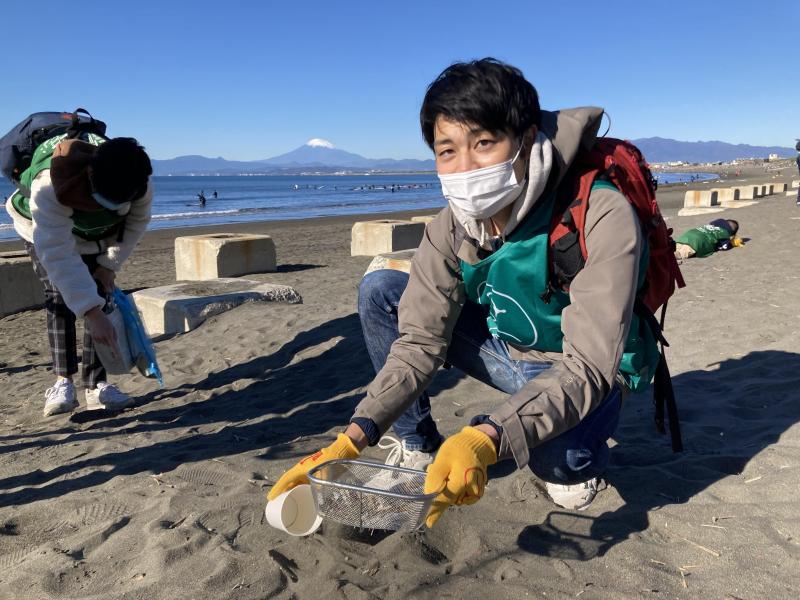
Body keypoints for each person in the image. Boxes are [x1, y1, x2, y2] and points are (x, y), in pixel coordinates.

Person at [268, 58, 653, 525]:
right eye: (447, 150)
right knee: (382, 290)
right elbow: (419, 342)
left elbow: (588, 366)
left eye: (484, 143)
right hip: (510, 349)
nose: (464, 167)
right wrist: (353, 436)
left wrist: (485, 437)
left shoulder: (599, 212)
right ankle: (418, 445)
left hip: (587, 368)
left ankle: (579, 454)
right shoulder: (452, 227)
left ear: (527, 139)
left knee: (560, 460)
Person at [5, 135, 153, 417]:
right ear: (90, 173)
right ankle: (63, 382)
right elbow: (57, 253)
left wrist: (109, 265)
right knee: (59, 295)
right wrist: (92, 313)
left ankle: (96, 386)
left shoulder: (138, 180)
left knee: (100, 293)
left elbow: (137, 222)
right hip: (39, 227)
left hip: (96, 236)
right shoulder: (49, 184)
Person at [674, 219, 742, 260]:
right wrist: (731, 244)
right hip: (698, 240)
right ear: (732, 233)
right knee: (683, 253)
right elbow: (724, 247)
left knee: (679, 246)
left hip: (691, 233)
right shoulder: (725, 234)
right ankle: (673, 257)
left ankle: (672, 250)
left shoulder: (717, 222)